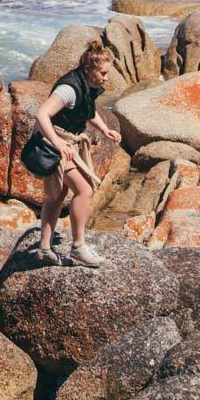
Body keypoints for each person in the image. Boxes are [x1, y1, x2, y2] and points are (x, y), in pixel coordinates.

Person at [34, 42, 121, 266]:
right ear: (89, 69)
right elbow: (41, 114)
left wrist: (104, 129)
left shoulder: (86, 85)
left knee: (58, 195)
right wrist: (58, 144)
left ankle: (44, 248)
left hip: (65, 142)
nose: (106, 78)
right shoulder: (69, 88)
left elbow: (87, 110)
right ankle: (78, 247)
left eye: (107, 73)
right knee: (85, 189)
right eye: (103, 73)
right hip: (52, 143)